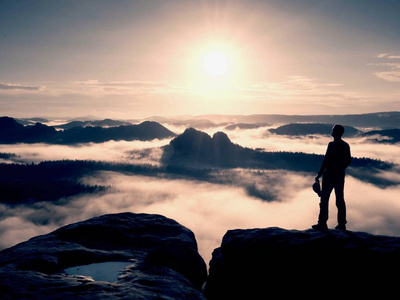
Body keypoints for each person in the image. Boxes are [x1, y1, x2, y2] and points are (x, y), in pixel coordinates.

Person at [312, 124, 351, 231]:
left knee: (327, 199)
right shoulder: (343, 145)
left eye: (333, 130)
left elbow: (327, 160)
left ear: (337, 132)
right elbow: (347, 161)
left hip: (330, 175)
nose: (331, 131)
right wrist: (320, 174)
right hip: (335, 176)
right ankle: (339, 224)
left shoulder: (335, 145)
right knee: (336, 200)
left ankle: (324, 223)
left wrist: (321, 173)